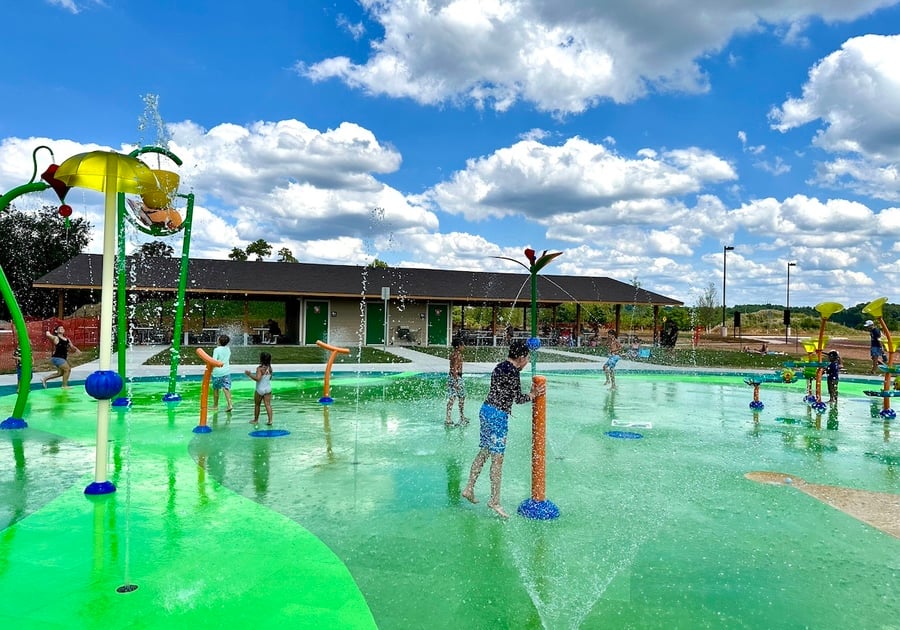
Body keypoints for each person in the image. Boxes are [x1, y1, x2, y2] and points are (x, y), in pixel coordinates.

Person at [461, 340, 544, 518]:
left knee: (484, 451)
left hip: (485, 410)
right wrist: (533, 395)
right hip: (498, 416)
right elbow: (518, 399)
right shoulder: (513, 372)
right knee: (497, 459)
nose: (528, 362)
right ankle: (494, 501)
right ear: (521, 358)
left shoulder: (499, 366)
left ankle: (469, 488)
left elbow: (502, 393)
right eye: (528, 358)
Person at [245, 351, 274, 426]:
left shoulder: (259, 368)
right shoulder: (270, 368)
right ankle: (270, 420)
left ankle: (256, 420)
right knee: (268, 405)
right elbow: (270, 378)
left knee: (257, 405)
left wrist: (249, 374)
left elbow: (258, 379)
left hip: (260, 389)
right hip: (268, 388)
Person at [446, 338, 467, 426]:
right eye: (462, 345)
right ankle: (450, 418)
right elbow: (454, 369)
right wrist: (456, 382)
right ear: (458, 346)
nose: (464, 346)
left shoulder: (454, 354)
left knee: (456, 397)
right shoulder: (456, 356)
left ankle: (459, 417)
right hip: (456, 377)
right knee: (457, 397)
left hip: (454, 377)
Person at [211, 334, 233, 412]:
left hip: (217, 372)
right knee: (226, 388)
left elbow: (214, 361)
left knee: (216, 389)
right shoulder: (228, 349)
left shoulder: (216, 350)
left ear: (219, 341)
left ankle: (215, 405)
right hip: (226, 372)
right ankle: (230, 404)